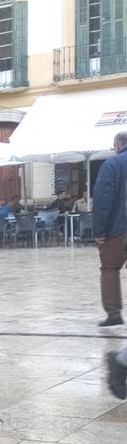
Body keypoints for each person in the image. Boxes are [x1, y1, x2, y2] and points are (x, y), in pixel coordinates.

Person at [94, 132, 127, 327]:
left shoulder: (112, 165)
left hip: (118, 228)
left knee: (110, 269)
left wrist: (99, 232)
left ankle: (114, 314)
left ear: (117, 145)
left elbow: (103, 201)